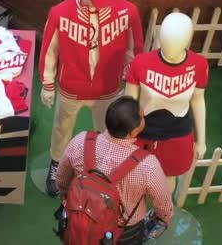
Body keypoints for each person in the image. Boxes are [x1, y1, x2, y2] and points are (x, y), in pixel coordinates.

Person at [39, 0, 144, 196]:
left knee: (108, 132)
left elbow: (134, 50)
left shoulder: (128, 12)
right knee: (61, 129)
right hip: (71, 87)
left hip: (107, 87)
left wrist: (131, 83)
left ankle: (103, 168)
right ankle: (57, 164)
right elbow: (49, 50)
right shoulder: (61, 12)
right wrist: (47, 83)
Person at [56, 96, 174, 244]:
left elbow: (61, 179)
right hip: (123, 232)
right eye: (142, 116)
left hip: (79, 218)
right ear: (134, 131)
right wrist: (163, 219)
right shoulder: (147, 165)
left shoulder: (80, 141)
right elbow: (164, 206)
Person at [124, 12, 208, 193]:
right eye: (167, 40)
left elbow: (198, 99)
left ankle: (160, 214)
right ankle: (133, 213)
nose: (171, 47)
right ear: (160, 37)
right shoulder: (141, 63)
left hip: (177, 134)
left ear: (187, 40)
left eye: (177, 42)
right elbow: (128, 102)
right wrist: (124, 134)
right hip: (142, 132)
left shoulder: (199, 64)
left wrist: (201, 140)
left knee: (168, 178)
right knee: (134, 176)